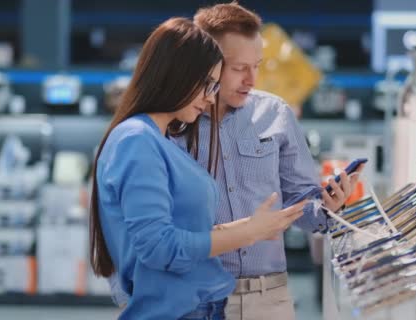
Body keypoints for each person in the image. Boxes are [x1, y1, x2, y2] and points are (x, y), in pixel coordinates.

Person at [111, 4, 364, 320]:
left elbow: (303, 206)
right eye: (238, 68)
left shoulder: (276, 115)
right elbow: (140, 231)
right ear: (205, 62)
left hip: (269, 298)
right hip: (194, 301)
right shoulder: (166, 128)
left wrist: (329, 206)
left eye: (256, 65)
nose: (251, 80)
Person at [90, 17, 306, 319]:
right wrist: (246, 234)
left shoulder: (158, 139)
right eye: (206, 83)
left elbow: (189, 232)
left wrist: (254, 227)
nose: (209, 97)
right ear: (174, 75)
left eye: (215, 85)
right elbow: (160, 247)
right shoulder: (136, 140)